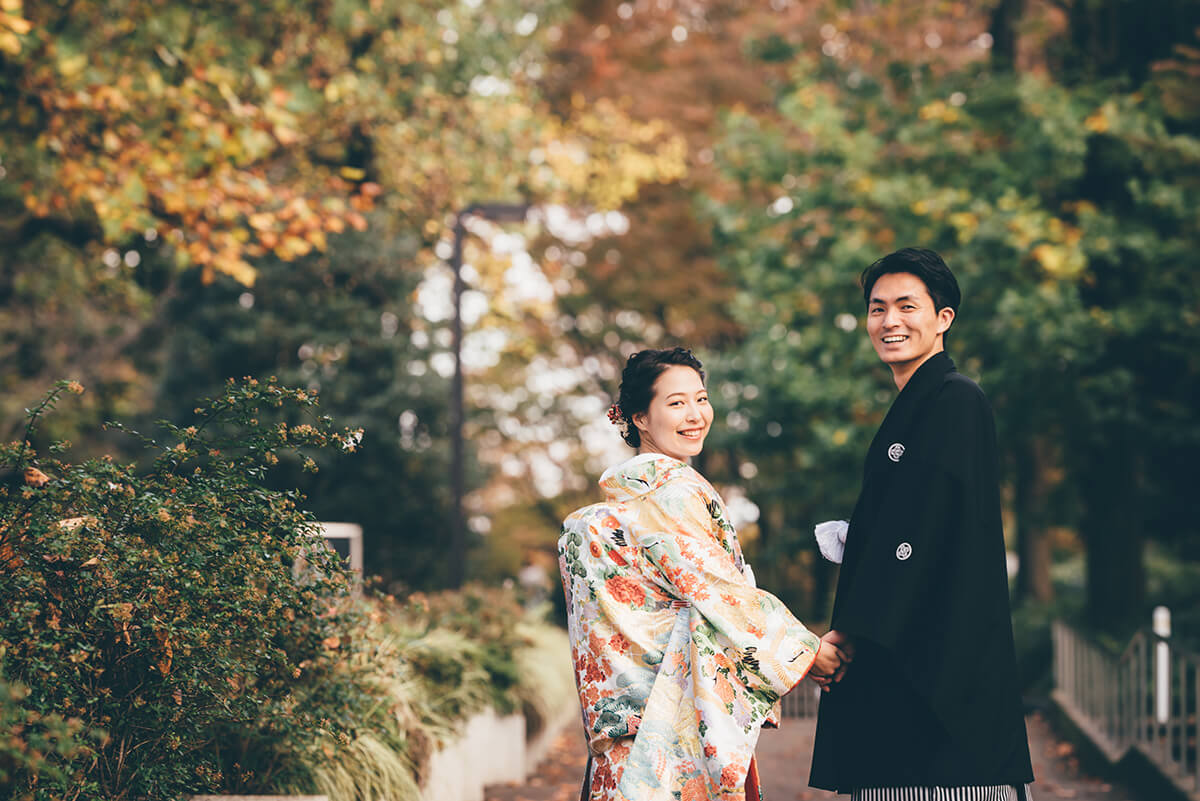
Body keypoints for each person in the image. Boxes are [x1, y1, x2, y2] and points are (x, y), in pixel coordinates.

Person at [559, 347, 847, 801]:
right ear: (640, 418)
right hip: (666, 726)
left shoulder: (623, 501)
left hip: (625, 722)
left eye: (701, 398)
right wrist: (809, 653)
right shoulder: (670, 491)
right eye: (676, 403)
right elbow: (720, 594)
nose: (695, 414)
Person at [808, 248, 1035, 800]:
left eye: (907, 306)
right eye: (877, 308)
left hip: (936, 665)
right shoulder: (918, 404)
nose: (889, 321)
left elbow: (922, 534)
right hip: (910, 648)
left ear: (943, 318)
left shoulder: (955, 399)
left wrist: (853, 630)